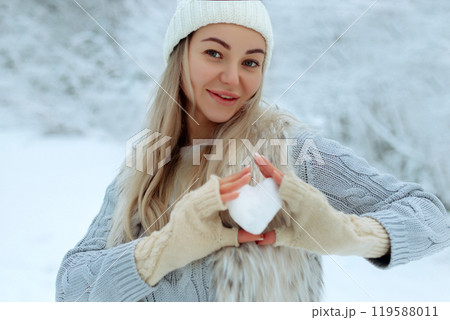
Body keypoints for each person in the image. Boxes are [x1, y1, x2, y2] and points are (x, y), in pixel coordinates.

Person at [55, 0, 450, 302]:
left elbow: (431, 216)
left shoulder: (287, 151)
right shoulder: (145, 165)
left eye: (250, 62)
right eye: (214, 53)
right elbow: (70, 288)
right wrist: (164, 249)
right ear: (180, 55)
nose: (232, 77)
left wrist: (349, 233)